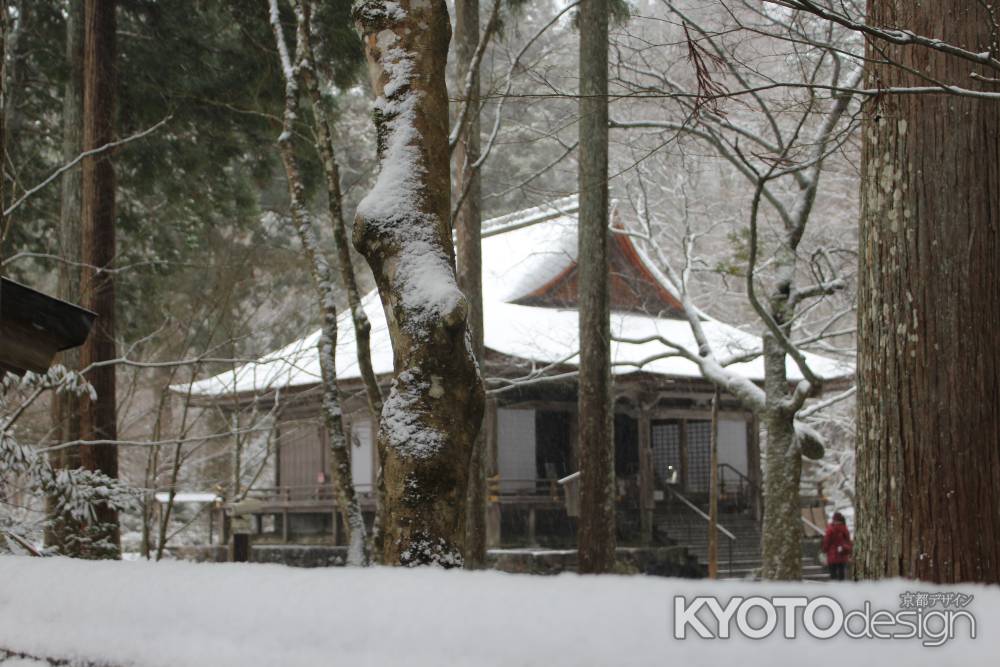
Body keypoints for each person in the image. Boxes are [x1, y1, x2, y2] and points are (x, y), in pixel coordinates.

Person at [822, 511, 853, 580]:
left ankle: (834, 588)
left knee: (833, 574)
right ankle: (841, 588)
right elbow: (848, 541)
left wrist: (824, 550)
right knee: (841, 574)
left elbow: (826, 541)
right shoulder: (844, 528)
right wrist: (850, 551)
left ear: (833, 519)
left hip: (832, 556)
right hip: (842, 555)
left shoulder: (830, 529)